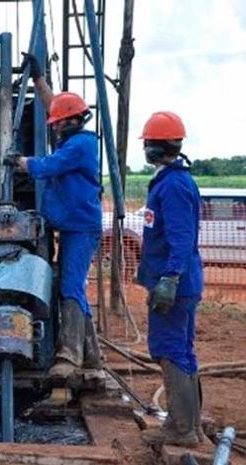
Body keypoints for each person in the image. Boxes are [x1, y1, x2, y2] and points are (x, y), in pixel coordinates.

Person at [14, 53, 103, 377]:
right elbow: (56, 106)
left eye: (57, 122)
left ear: (70, 122)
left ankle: (69, 356)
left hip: (80, 227)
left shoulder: (80, 145)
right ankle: (90, 356)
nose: (54, 126)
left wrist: (22, 163)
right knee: (71, 285)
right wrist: (39, 79)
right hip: (69, 225)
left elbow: (50, 166)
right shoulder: (74, 135)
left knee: (70, 286)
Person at [136, 112, 203, 448]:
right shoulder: (171, 180)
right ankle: (190, 426)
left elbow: (181, 237)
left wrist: (170, 279)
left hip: (174, 285)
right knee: (182, 351)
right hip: (179, 282)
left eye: (147, 143)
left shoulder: (173, 186)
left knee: (170, 350)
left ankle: (182, 430)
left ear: (154, 147)